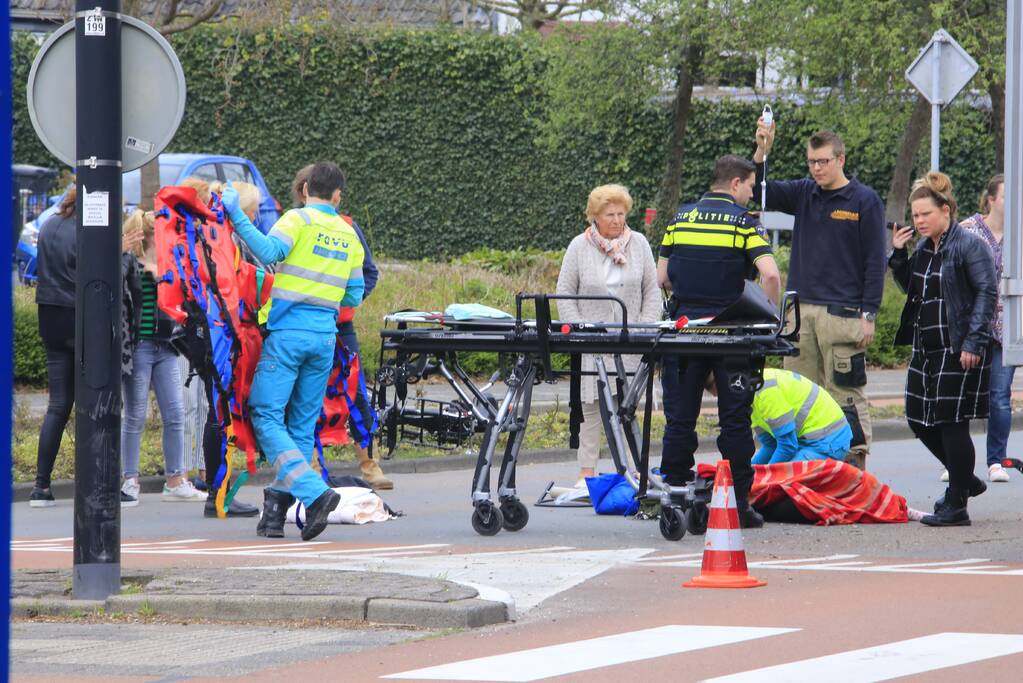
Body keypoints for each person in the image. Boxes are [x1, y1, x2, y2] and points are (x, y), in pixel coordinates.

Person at [222, 161, 365, 541]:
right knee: (301, 427)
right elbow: (354, 293)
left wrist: (235, 213)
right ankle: (273, 518)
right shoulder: (348, 233)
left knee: (266, 415)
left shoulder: (297, 221)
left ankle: (315, 493)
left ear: (305, 191)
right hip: (325, 337)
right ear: (337, 196)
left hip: (287, 335)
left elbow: (268, 249)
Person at [754, 121, 886, 471]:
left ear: (841, 159)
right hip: (799, 313)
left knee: (846, 393)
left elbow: (875, 261)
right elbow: (759, 191)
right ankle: (805, 471)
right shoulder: (804, 192)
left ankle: (855, 468)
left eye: (823, 161)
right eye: (812, 162)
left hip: (842, 313)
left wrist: (869, 313)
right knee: (801, 395)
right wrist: (762, 149)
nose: (816, 168)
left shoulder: (864, 200)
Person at [657, 155, 781, 528]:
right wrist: (769, 313)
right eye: (750, 186)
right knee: (735, 423)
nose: (751, 193)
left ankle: (675, 493)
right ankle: (738, 502)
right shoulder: (744, 224)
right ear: (735, 184)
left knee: (679, 419)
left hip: (684, 333)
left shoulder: (679, 219)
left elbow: (663, 277)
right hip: (731, 336)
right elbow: (770, 273)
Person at [889, 171, 996, 527]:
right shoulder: (923, 248)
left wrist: (974, 341)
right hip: (926, 348)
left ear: (946, 210)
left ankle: (957, 507)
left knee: (951, 423)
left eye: (925, 214)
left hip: (959, 347)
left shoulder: (969, 245)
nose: (919, 221)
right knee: (917, 417)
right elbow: (913, 289)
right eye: (915, 215)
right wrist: (899, 256)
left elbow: (986, 293)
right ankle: (964, 478)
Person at [289, 164, 390, 489]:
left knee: (356, 394)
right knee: (307, 398)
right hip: (304, 326)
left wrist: (347, 304)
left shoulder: (348, 227)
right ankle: (314, 467)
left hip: (340, 328)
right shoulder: (291, 225)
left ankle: (369, 464)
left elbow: (368, 272)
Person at [555, 184, 661, 486]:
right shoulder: (579, 246)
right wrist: (578, 328)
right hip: (592, 341)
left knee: (627, 406)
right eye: (610, 214)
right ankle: (586, 471)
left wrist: (642, 327)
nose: (616, 220)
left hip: (630, 340)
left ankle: (634, 469)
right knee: (591, 407)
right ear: (595, 216)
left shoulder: (639, 243)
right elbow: (565, 293)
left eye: (621, 214)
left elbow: (651, 292)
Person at [120, 210, 206, 506]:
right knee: (135, 414)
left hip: (167, 346)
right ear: (149, 235)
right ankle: (129, 479)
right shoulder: (131, 264)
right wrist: (123, 254)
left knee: (176, 413)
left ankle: (175, 480)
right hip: (141, 346)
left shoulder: (170, 262)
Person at [28, 188, 79, 506]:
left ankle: (41, 485)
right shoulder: (88, 231)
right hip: (79, 319)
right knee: (94, 403)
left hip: (50, 317)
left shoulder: (48, 225)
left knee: (58, 405)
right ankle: (97, 480)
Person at [961, 174, 1012, 483]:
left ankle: (996, 461)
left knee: (999, 396)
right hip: (972, 326)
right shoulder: (969, 230)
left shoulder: (1019, 235)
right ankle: (956, 459)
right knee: (963, 395)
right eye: (1007, 196)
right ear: (991, 199)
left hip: (1006, 329)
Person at [707, 368, 852, 465]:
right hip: (810, 442)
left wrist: (764, 477)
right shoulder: (749, 393)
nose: (725, 401)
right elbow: (771, 445)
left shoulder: (764, 393)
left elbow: (788, 446)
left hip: (828, 442)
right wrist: (749, 471)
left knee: (781, 485)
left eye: (721, 395)